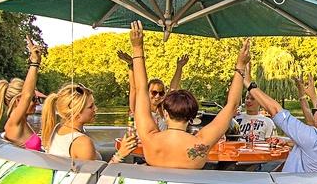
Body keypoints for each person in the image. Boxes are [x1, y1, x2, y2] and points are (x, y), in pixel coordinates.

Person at [128, 20, 250, 169]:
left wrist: (137, 48)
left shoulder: (150, 137)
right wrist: (240, 67)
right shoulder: (201, 143)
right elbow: (232, 106)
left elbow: (141, 89)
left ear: (165, 113)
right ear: (192, 118)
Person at [244, 66, 317, 173]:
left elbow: (276, 110)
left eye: (315, 111)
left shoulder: (314, 139)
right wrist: (308, 96)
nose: (314, 113)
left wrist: (250, 84)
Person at [41, 83, 137, 163]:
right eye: (91, 107)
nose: (96, 109)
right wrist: (121, 154)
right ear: (77, 114)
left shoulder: (58, 128)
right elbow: (98, 180)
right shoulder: (82, 142)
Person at [0, 37, 44, 150]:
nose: (37, 103)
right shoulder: (14, 121)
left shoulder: (22, 121)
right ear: (19, 100)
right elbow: (27, 95)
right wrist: (35, 63)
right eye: (34, 99)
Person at [117, 48, 188, 131]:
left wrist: (179, 67)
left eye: (161, 93)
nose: (157, 96)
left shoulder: (164, 109)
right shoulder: (138, 107)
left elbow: (173, 88)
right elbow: (134, 88)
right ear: (147, 92)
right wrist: (131, 65)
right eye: (154, 92)